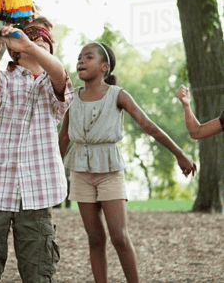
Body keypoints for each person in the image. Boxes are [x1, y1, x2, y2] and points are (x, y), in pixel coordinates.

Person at [58, 43, 196, 283]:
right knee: (94, 238)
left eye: (88, 57)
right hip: (80, 171)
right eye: (79, 57)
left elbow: (148, 125)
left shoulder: (117, 94)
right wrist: (54, 172)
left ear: (104, 67)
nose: (81, 61)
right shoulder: (72, 98)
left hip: (110, 170)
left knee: (119, 236)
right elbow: (63, 136)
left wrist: (179, 153)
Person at [0, 16, 74, 283]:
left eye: (42, 42)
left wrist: (29, 44)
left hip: (38, 190)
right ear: (15, 50)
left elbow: (59, 75)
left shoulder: (52, 83)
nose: (35, 43)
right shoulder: (1, 76)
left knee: (38, 271)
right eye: (29, 39)